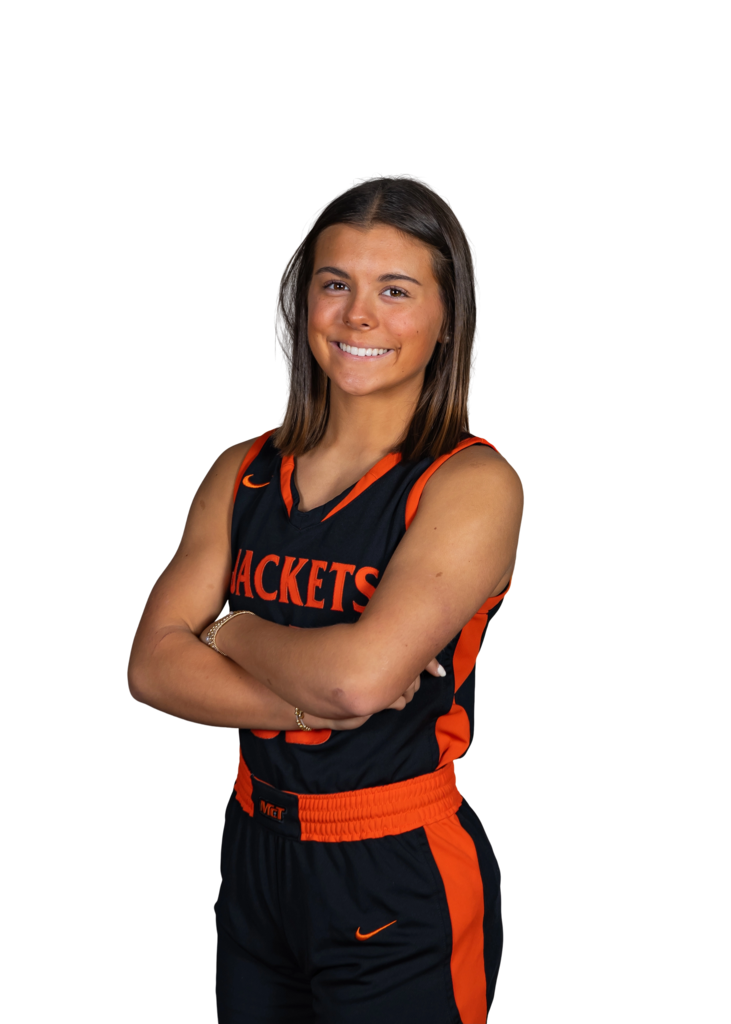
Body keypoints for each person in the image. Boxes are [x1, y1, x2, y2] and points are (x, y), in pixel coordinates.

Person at [126, 172, 525, 1023]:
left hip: (394, 866)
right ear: (300, 302)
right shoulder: (240, 470)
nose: (358, 316)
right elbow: (150, 669)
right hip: (253, 851)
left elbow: (356, 681)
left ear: (448, 318)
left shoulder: (471, 483)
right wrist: (311, 697)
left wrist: (225, 629)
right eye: (335, 284)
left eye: (395, 290)